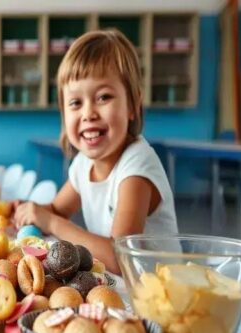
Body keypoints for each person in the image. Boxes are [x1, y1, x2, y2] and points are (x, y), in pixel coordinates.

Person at [13, 30, 178, 275]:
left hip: (159, 297)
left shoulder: (136, 167)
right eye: (76, 103)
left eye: (103, 97)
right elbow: (58, 209)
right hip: (119, 290)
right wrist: (30, 209)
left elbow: (120, 258)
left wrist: (50, 221)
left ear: (133, 105)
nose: (88, 113)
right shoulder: (83, 164)